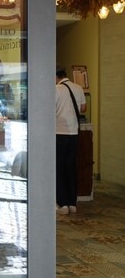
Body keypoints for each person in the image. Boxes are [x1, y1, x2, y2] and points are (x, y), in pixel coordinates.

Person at [55, 66, 86, 215]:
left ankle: (63, 204)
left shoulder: (56, 89)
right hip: (74, 133)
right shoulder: (78, 88)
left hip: (59, 132)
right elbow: (84, 108)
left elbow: (49, 109)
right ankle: (72, 203)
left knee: (59, 168)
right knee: (71, 168)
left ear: (56, 76)